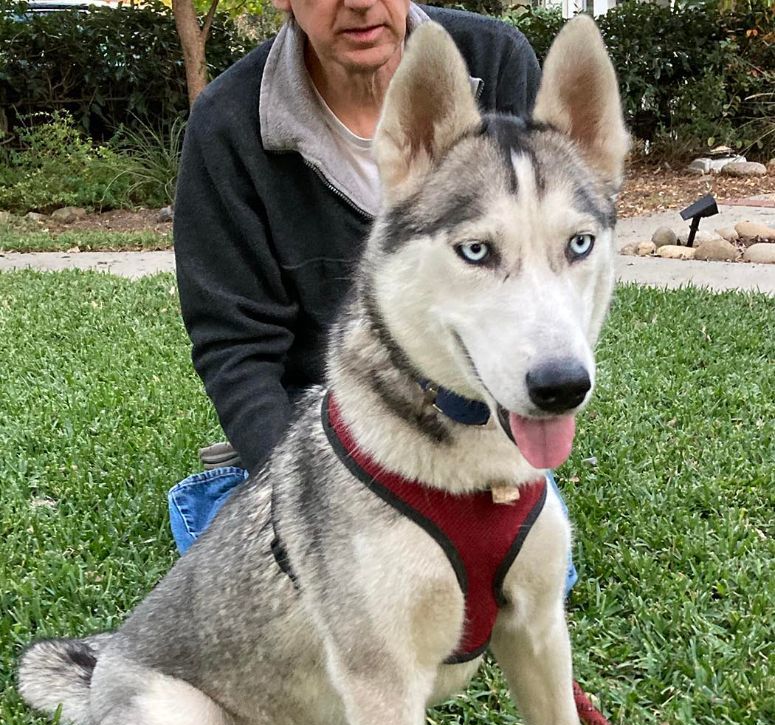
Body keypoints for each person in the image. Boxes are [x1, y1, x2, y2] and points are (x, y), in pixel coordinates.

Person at [170, 0, 577, 591]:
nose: (360, 3)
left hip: (470, 414)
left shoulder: (494, 61)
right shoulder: (228, 123)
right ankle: (235, 494)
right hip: (322, 424)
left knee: (529, 585)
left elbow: (544, 259)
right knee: (308, 593)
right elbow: (237, 346)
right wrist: (300, 486)